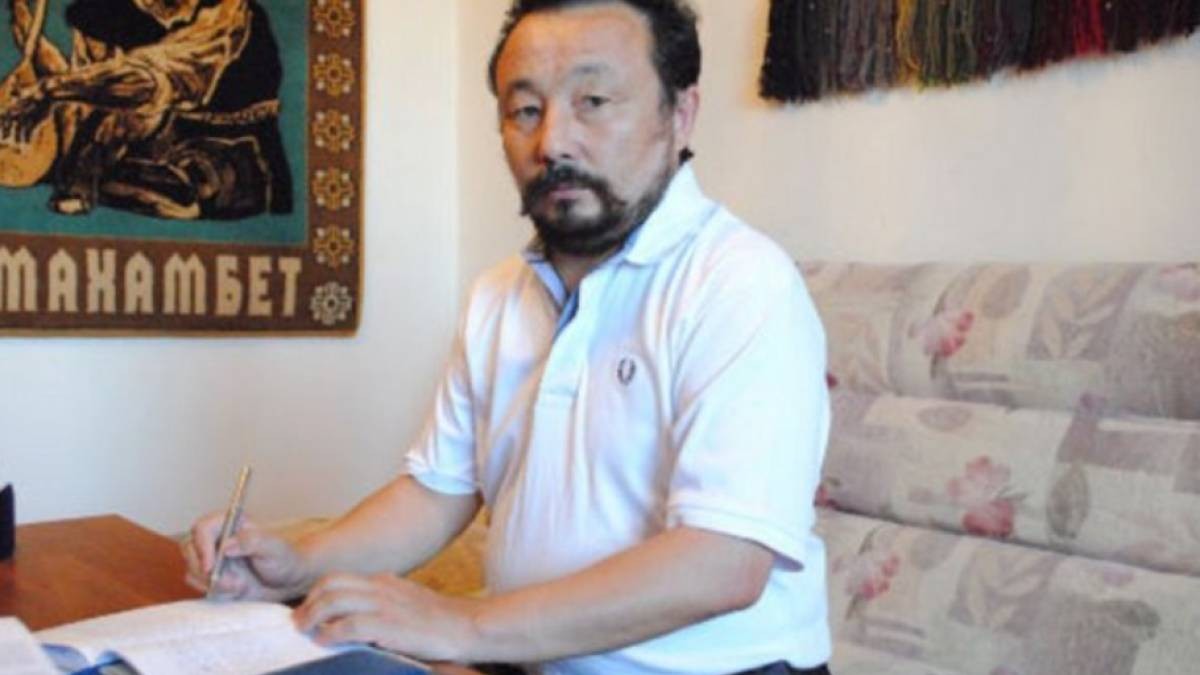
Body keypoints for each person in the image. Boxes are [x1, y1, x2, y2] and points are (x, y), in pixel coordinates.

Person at [183, 1, 832, 673]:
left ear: (681, 114)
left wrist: (462, 624)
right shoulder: (499, 295)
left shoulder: (740, 282)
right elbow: (438, 492)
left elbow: (724, 562)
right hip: (531, 656)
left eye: (593, 101)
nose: (552, 142)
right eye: (525, 110)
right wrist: (297, 563)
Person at [0, 0, 292, 219]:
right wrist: (23, 20)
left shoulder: (224, 13)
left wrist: (49, 90)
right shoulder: (105, 15)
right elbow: (86, 88)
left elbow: (143, 81)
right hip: (136, 154)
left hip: (222, 166)